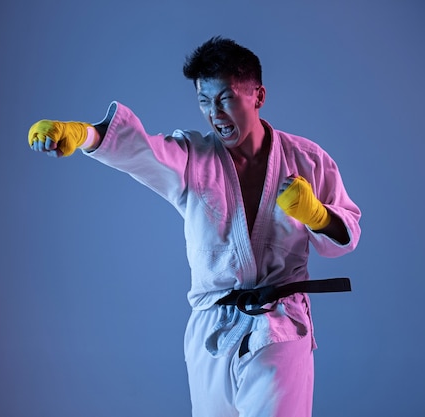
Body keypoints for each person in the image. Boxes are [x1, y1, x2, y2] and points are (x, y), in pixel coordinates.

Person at [28, 36, 361, 417]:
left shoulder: (308, 160)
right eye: (204, 101)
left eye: (225, 99)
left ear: (258, 96)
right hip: (212, 326)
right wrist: (83, 133)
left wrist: (317, 215)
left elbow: (346, 234)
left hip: (281, 322)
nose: (214, 114)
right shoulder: (192, 157)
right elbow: (140, 150)